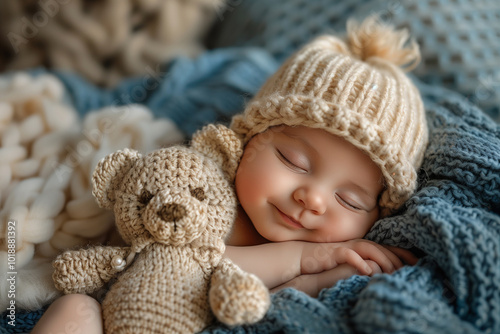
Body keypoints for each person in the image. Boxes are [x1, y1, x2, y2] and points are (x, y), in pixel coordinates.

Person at [32, 16, 428, 333]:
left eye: (350, 200)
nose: (314, 199)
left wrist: (327, 273)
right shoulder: (199, 198)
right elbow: (179, 258)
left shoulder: (333, 257)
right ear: (244, 143)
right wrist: (307, 257)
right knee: (75, 310)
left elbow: (272, 303)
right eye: (293, 160)